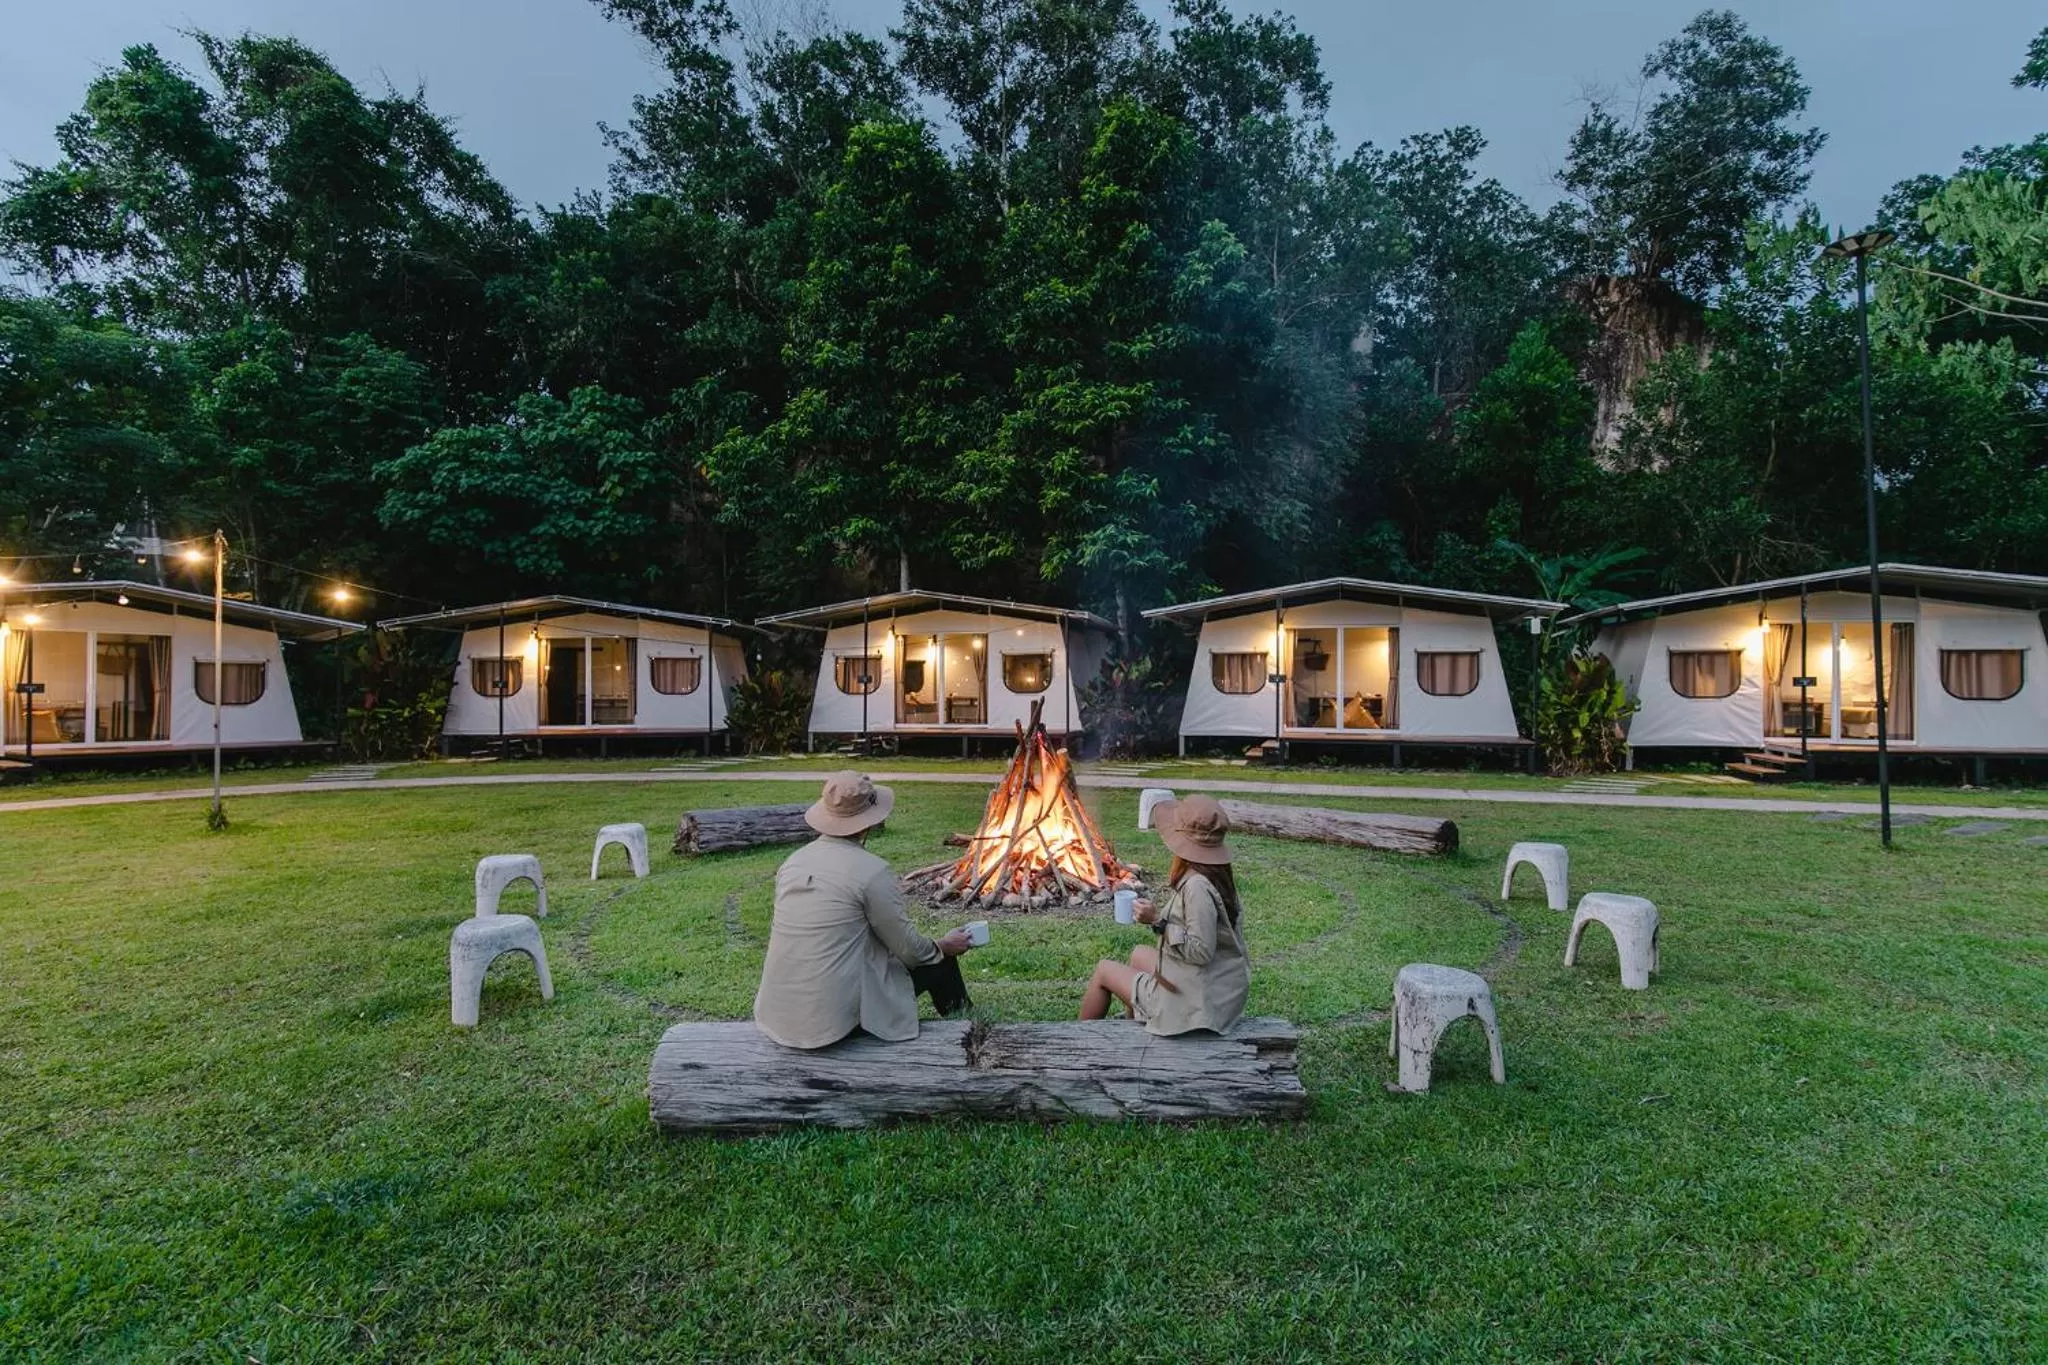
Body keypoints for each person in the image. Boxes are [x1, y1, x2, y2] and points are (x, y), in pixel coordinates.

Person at [753, 771, 975, 1049]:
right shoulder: (872, 872)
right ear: (868, 823)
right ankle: (968, 1031)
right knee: (940, 960)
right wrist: (945, 945)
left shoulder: (793, 862)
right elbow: (910, 950)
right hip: (833, 1024)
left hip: (778, 1015)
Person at [1079, 794, 1249, 1035]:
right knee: (1139, 953)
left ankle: (1077, 1040)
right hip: (1219, 990)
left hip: (1195, 1005)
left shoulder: (1197, 887)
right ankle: (1134, 1030)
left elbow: (1201, 951)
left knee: (1104, 970)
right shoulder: (1218, 876)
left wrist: (1158, 920)